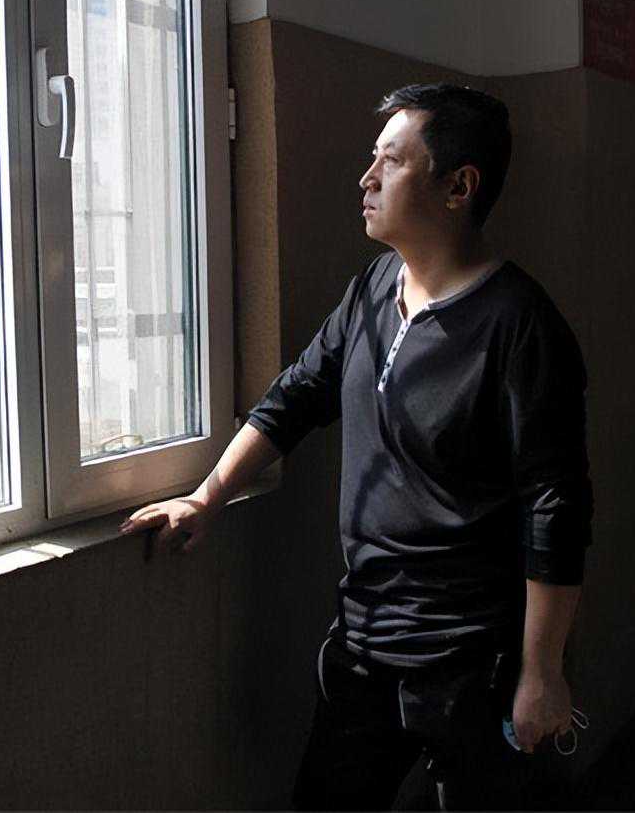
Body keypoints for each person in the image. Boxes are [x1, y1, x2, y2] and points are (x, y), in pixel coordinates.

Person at [119, 83, 593, 811]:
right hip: (366, 641)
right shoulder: (373, 289)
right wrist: (207, 498)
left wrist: (542, 671)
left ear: (458, 187)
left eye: (391, 162)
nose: (366, 178)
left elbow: (555, 508)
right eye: (373, 158)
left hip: (475, 660)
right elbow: (298, 395)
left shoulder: (521, 327)